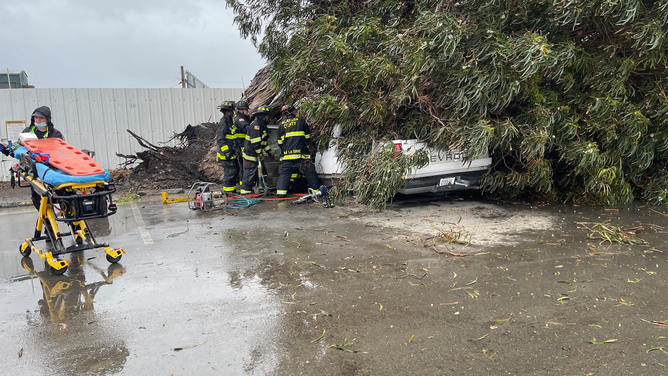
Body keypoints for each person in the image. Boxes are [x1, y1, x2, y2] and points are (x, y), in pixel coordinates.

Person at [275, 105, 320, 197]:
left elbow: (280, 143)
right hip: (301, 155)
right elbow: (307, 138)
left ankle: (280, 193)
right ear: (293, 112)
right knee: (309, 172)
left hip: (287, 157)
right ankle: (316, 192)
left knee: (284, 174)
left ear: (284, 115)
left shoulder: (281, 126)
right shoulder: (301, 122)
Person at [240, 106, 274, 195]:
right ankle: (246, 193)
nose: (269, 118)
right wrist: (260, 152)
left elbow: (263, 142)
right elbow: (255, 142)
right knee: (249, 176)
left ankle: (261, 191)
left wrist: (269, 151)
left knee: (262, 173)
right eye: (268, 116)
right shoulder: (256, 125)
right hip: (250, 156)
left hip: (256, 156)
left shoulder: (262, 125)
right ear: (265, 116)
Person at [215, 100, 241, 193]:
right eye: (232, 111)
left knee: (235, 171)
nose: (234, 113)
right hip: (225, 154)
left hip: (231, 152)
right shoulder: (224, 123)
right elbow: (220, 139)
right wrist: (226, 152)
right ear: (228, 112)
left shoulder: (230, 122)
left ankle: (232, 191)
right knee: (230, 172)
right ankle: (228, 193)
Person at [233, 100, 251, 186]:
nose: (248, 112)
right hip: (241, 146)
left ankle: (243, 184)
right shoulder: (240, 119)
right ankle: (244, 185)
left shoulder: (243, 119)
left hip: (243, 145)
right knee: (244, 167)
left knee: (244, 167)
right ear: (241, 110)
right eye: (247, 110)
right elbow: (246, 128)